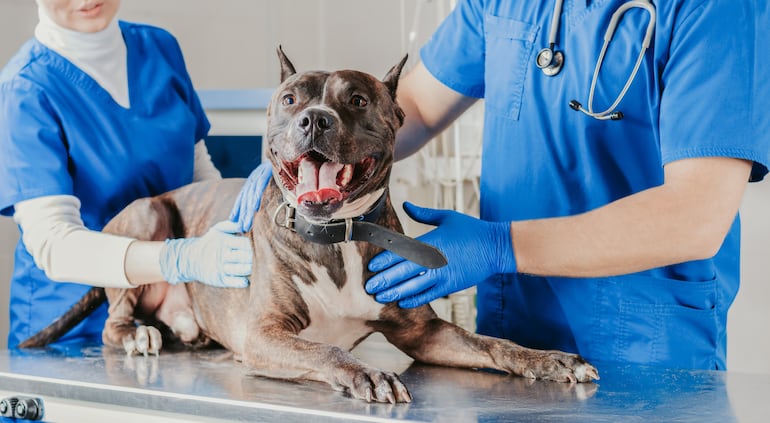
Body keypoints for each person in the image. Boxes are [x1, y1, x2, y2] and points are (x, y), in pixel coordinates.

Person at [236, 0, 770, 370]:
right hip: (513, 331)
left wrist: (499, 245)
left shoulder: (717, 10)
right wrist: (306, 158)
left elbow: (695, 217)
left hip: (646, 343)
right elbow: (412, 107)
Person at [0, 0, 252, 349]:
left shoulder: (160, 48)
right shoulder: (25, 89)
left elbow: (198, 172)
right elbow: (54, 245)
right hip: (73, 336)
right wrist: (180, 259)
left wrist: (232, 235)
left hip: (177, 317)